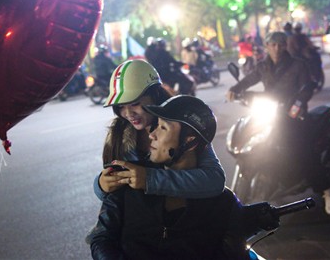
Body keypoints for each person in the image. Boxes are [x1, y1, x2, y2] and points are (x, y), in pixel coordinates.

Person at [90, 95, 243, 259]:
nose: (151, 135)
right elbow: (101, 240)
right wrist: (100, 185)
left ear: (189, 140)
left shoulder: (222, 202)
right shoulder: (131, 182)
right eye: (155, 125)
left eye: (163, 128)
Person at [87, 60, 225, 228]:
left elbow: (214, 180)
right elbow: (113, 201)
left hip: (186, 225)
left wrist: (149, 179)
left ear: (155, 95)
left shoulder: (181, 123)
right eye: (121, 107)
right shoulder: (118, 136)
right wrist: (101, 185)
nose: (129, 113)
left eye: (135, 103)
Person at [226, 31, 330, 215]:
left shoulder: (298, 65)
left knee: (302, 151)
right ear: (267, 47)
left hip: (293, 115)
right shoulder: (263, 66)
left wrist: (298, 104)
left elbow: (307, 87)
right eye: (273, 45)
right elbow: (249, 79)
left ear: (285, 46)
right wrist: (235, 90)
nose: (277, 48)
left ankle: (325, 189)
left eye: (280, 44)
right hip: (271, 113)